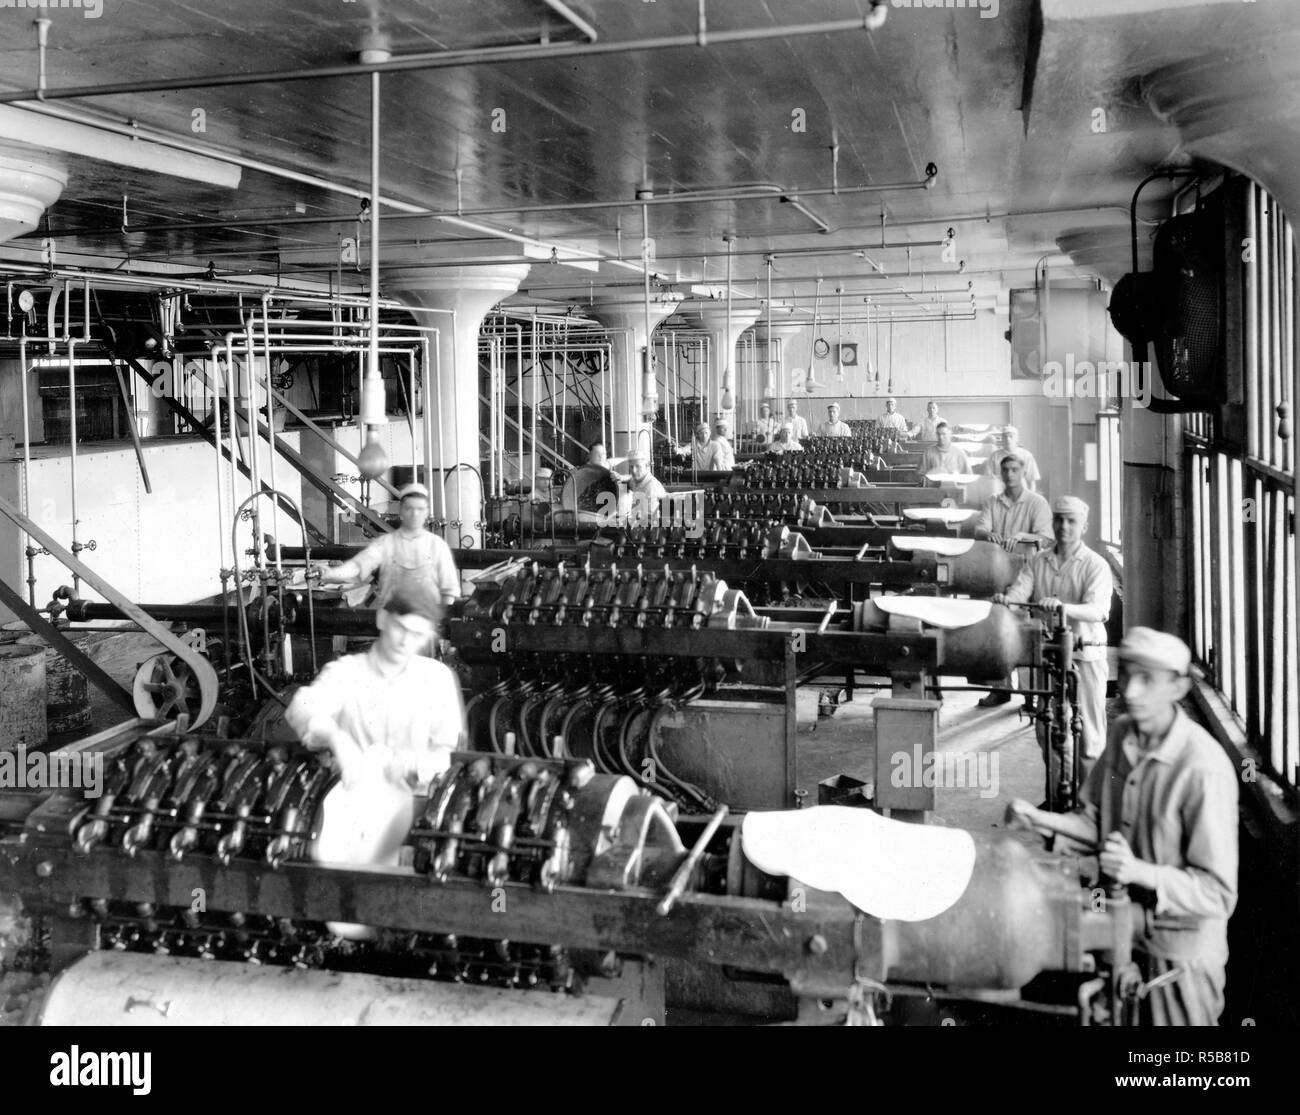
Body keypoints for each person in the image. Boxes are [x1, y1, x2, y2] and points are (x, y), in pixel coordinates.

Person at [1005, 627, 1238, 1026]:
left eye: (1148, 680)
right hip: (1116, 928)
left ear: (1179, 687)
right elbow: (1098, 821)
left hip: (1178, 956)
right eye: (1127, 674)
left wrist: (1138, 871)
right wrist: (1039, 818)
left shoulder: (1202, 768)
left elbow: (1217, 895)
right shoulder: (1121, 737)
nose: (1130, 691)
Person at [992, 495, 1114, 795]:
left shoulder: (1096, 565)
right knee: (1048, 729)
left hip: (1085, 656)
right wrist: (1008, 600)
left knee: (1089, 735)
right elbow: (1022, 588)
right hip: (1048, 655)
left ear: (1083, 527)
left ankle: (1088, 810)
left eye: (1071, 521)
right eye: (1059, 520)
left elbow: (1098, 610)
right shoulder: (1038, 560)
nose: (1063, 527)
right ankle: (1057, 800)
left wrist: (1062, 607)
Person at [287, 587, 463, 794]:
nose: (405, 641)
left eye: (417, 634)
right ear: (382, 619)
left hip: (414, 799)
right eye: (400, 628)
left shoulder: (436, 678)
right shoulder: (346, 671)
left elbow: (448, 751)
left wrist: (413, 766)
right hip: (350, 796)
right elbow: (301, 707)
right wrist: (336, 739)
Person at [974, 455, 1054, 707]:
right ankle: (1000, 688)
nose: (1009, 475)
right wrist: (991, 534)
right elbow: (979, 529)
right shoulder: (992, 502)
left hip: (1026, 574)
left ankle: (1031, 696)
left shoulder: (1036, 503)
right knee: (996, 630)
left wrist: (1022, 536)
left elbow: (1047, 537)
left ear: (1024, 472)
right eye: (1005, 470)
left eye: (1014, 470)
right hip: (996, 574)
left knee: (1025, 632)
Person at [318, 482, 460, 607]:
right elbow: (358, 566)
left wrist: (440, 623)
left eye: (420, 509)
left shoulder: (437, 546)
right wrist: (331, 573)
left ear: (427, 513)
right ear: (401, 512)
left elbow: (449, 590)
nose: (415, 514)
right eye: (409, 508)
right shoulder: (386, 543)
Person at [984, 426, 1042, 492]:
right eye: (1005, 437)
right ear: (1002, 439)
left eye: (1011, 436)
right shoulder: (994, 456)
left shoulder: (1026, 455)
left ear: (1017, 439)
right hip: (1000, 494)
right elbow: (987, 479)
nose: (1008, 439)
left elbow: (1032, 480)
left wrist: (1030, 499)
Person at [625, 449, 667, 528]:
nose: (633, 470)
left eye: (638, 466)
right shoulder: (636, 481)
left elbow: (649, 519)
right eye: (631, 467)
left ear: (647, 466)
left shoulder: (651, 487)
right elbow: (629, 480)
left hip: (652, 529)